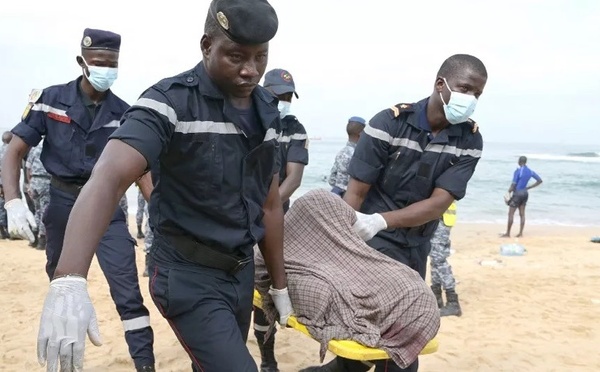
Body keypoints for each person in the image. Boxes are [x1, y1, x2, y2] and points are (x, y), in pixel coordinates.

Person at [32, 1, 292, 371]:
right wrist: (69, 277)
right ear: (206, 46)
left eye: (260, 57)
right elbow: (109, 175)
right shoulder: (169, 103)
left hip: (239, 272)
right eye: (235, 56)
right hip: (187, 274)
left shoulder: (266, 111)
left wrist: (278, 285)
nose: (250, 70)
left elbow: (269, 204)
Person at [305, 54, 488, 372]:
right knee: (392, 339)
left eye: (478, 94)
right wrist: (343, 246)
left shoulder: (469, 140)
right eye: (465, 89)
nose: (470, 100)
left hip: (416, 243)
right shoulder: (388, 124)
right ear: (440, 84)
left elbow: (438, 203)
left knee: (389, 337)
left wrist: (381, 220)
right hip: (374, 243)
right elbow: (356, 192)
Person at [2, 28, 156, 371]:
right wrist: (13, 201)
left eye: (112, 64)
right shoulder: (49, 100)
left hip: (109, 211)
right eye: (99, 62)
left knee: (129, 294)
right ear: (82, 62)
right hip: (62, 207)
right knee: (63, 292)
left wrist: (159, 214)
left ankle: (146, 365)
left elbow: (143, 171)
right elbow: (14, 152)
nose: (106, 69)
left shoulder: (125, 113)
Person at [254, 67, 309, 372]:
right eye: (278, 96)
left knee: (266, 288)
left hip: (274, 218)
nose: (283, 102)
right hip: (237, 216)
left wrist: (269, 206)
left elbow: (294, 177)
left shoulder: (295, 129)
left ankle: (268, 361)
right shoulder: (246, 119)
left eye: (288, 97)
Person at [429, 201, 461, 317]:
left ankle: (453, 301)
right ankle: (436, 296)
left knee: (439, 260)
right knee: (434, 258)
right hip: (438, 218)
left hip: (442, 219)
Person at [501, 156, 542, 238]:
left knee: (511, 214)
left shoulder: (518, 171)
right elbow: (539, 180)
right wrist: (529, 187)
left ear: (519, 161)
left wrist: (508, 192)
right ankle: (520, 233)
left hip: (518, 193)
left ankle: (508, 233)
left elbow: (513, 184)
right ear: (525, 162)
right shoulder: (530, 171)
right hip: (525, 193)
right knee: (522, 214)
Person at [328, 117, 366, 197]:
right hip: (349, 197)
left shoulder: (341, 152)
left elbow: (332, 179)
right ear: (361, 134)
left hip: (335, 194)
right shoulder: (358, 155)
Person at [25, 141, 51, 250]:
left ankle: (33, 238)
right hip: (45, 181)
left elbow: (28, 167)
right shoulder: (51, 149)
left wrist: (29, 183)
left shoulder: (34, 149)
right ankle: (42, 240)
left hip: (34, 181)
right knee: (45, 212)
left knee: (37, 210)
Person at [0, 131, 13, 239]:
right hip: (7, 182)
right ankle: (9, 230)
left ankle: (2, 229)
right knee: (11, 204)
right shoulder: (11, 151)